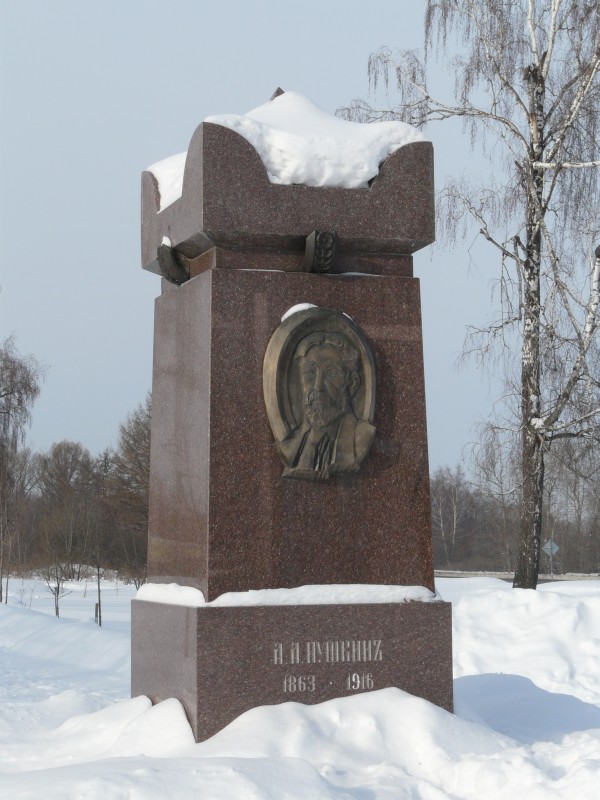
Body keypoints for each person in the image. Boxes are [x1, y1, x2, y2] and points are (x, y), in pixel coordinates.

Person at [276, 331, 376, 479]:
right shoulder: (290, 446)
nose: (318, 387)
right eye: (310, 373)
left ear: (352, 383)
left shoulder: (361, 437)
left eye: (331, 373)